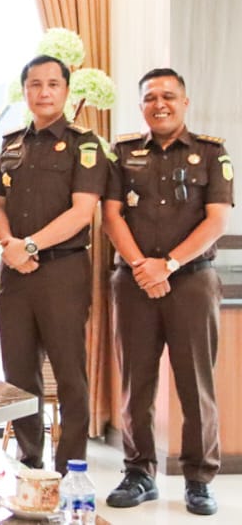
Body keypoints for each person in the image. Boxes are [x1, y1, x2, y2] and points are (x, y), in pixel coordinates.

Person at [102, 68, 232, 516]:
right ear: (141, 105)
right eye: (150, 97)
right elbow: (111, 216)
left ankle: (199, 479)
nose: (160, 104)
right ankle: (139, 473)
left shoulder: (210, 152)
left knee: (196, 383)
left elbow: (217, 220)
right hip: (133, 281)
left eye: (169, 96)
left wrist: (168, 264)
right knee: (135, 382)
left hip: (193, 280)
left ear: (185, 102)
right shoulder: (122, 153)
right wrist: (143, 267)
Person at [0, 54, 107, 475]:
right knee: (19, 375)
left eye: (53, 84)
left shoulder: (84, 144)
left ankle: (68, 469)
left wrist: (30, 245)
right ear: (25, 91)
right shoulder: (11, 144)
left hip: (62, 271)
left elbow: (82, 212)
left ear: (66, 91)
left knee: (69, 374)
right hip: (15, 274)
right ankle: (29, 461)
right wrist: (9, 245)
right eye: (35, 85)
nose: (43, 92)